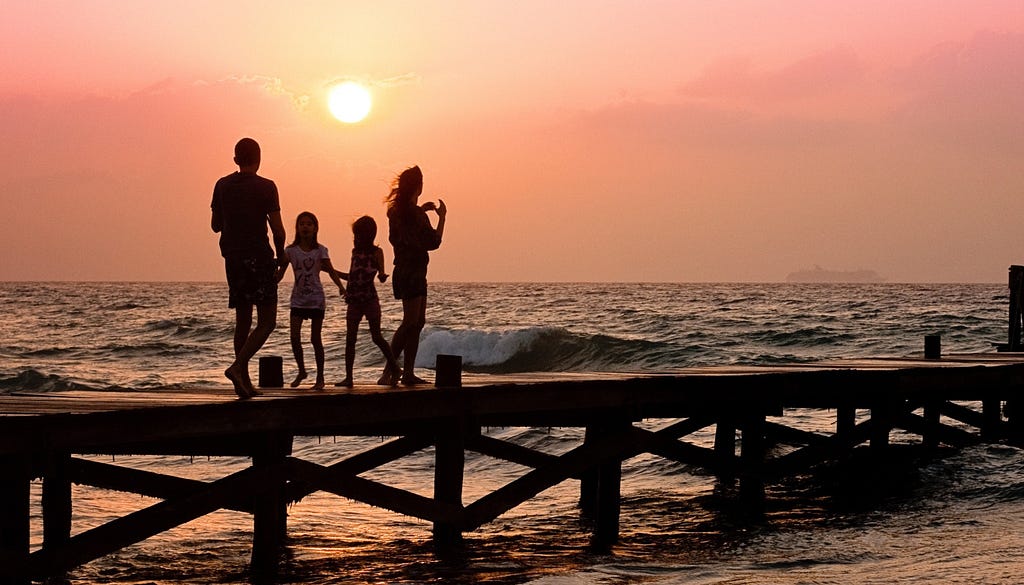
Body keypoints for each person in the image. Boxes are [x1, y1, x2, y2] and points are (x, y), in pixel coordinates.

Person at [210, 138, 287, 399]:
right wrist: (280, 257)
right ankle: (237, 367)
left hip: (232, 258)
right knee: (267, 321)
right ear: (260, 158)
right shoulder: (267, 187)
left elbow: (215, 225)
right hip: (259, 257)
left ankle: (243, 383)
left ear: (235, 160)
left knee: (242, 319)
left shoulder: (221, 185)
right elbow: (278, 230)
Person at [383, 166, 446, 386]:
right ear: (418, 186)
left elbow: (406, 228)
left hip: (404, 271)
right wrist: (442, 218)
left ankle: (406, 372)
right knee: (410, 322)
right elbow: (434, 242)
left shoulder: (395, 212)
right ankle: (390, 371)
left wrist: (421, 209)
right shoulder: (416, 215)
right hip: (414, 272)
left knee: (417, 322)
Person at [276, 211, 345, 391]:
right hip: (298, 300)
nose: (305, 227)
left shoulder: (320, 250)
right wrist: (268, 283)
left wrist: (341, 287)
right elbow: (279, 274)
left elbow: (330, 270)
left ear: (315, 228)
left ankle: (320, 378)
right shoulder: (290, 251)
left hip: (316, 299)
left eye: (309, 224)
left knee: (316, 339)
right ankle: (301, 370)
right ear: (297, 228)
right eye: (302, 224)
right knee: (294, 337)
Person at [335, 216, 402, 388]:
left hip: (370, 299)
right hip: (354, 301)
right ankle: (348, 377)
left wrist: (382, 275)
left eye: (358, 234)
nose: (356, 238)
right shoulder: (354, 252)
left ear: (368, 235)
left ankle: (394, 367)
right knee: (350, 339)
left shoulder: (376, 252)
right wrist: (332, 271)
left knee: (377, 336)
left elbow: (380, 274)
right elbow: (352, 277)